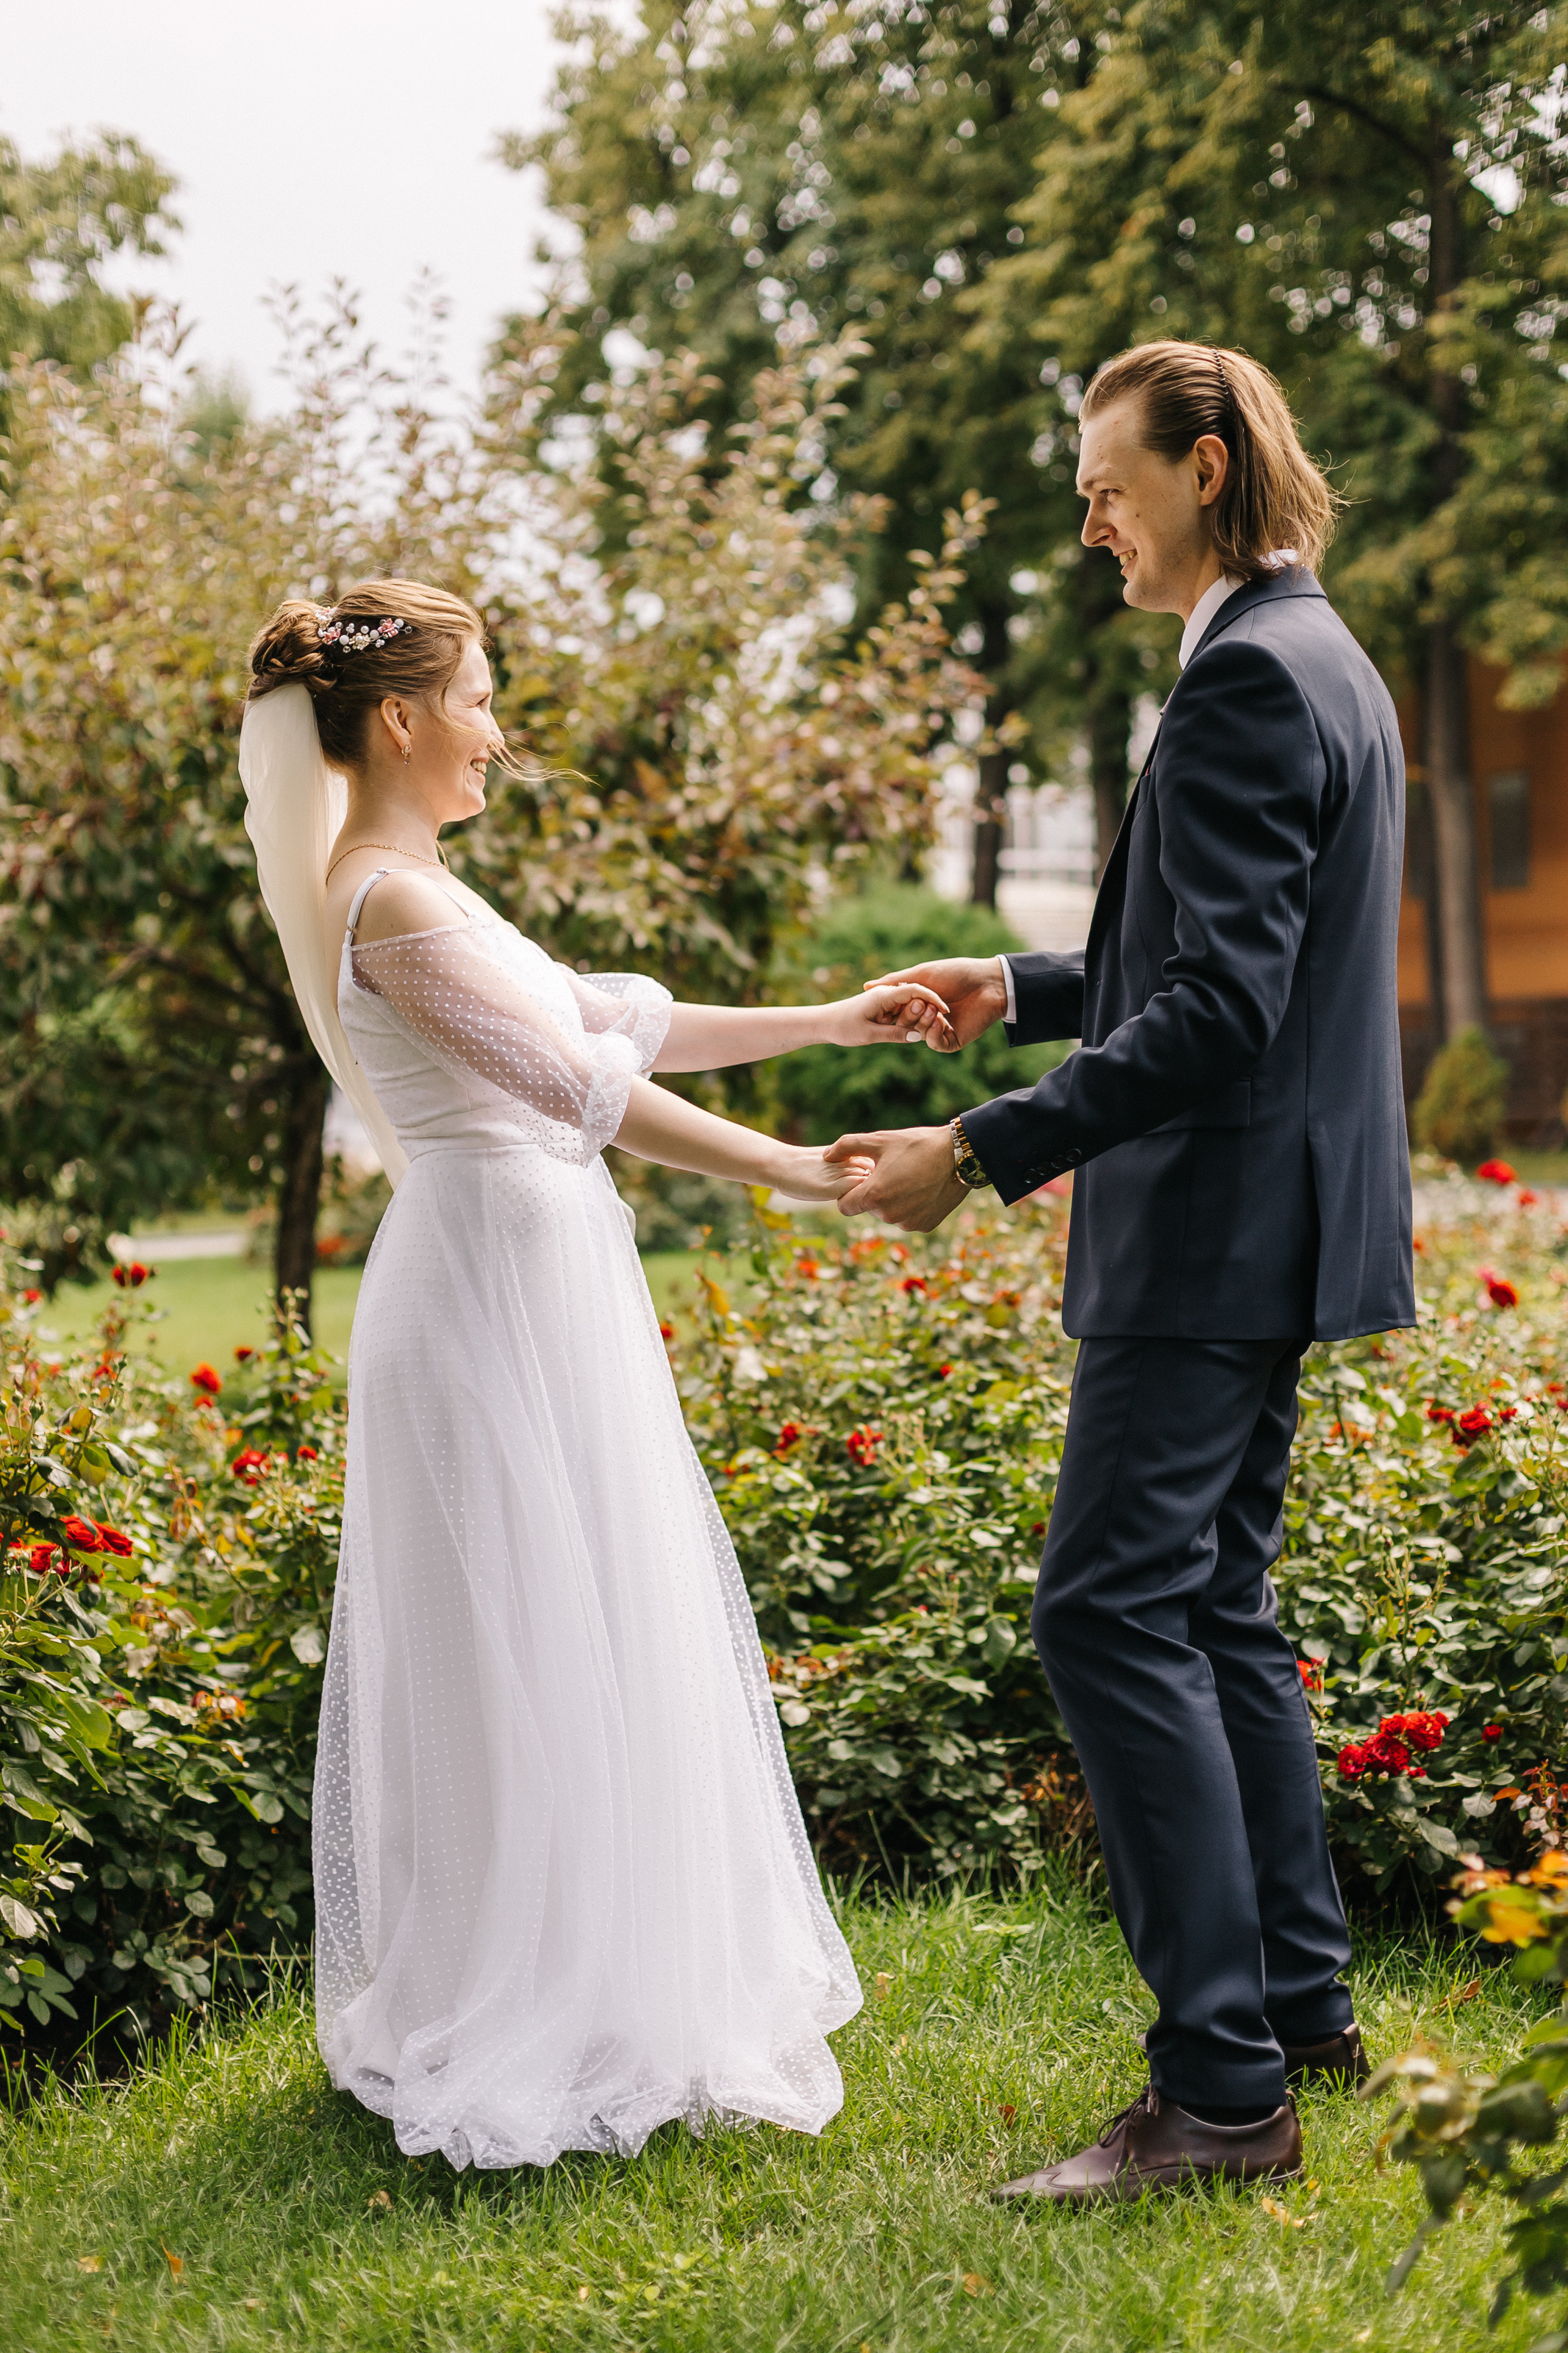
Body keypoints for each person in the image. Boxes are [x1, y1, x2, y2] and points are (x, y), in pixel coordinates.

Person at [239, 579, 952, 2171]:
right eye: (479, 699)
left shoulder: (421, 885)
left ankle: (600, 1976)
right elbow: (578, 1086)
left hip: (532, 1277)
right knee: (510, 1636)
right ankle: (518, 1994)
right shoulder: (389, 903)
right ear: (401, 718)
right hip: (484, 1294)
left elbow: (610, 1019)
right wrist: (798, 1172)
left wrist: (832, 1020)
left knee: (583, 1615)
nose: (496, 732)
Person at [826, 341, 1414, 2203]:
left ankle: (1218, 2096)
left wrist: (978, 1148)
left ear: (1204, 466)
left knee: (1103, 1610)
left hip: (1208, 1233)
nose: (1087, 522)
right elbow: (1219, 957)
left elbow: (1222, 1010)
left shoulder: (1243, 678)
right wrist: (1015, 986)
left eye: (1105, 486)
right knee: (1213, 1602)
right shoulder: (1315, 655)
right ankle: (1297, 2010)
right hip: (1276, 1219)